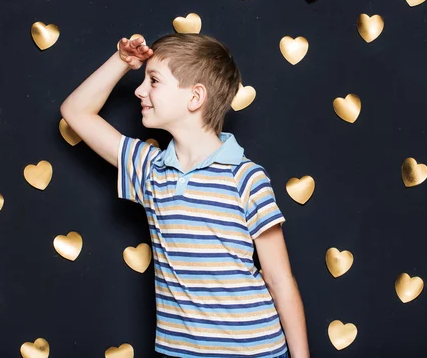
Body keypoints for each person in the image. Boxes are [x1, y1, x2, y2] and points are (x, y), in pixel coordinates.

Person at [59, 33, 310, 358]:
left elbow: (279, 279)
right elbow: (75, 111)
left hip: (255, 349)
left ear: (195, 98)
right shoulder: (150, 169)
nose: (139, 90)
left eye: (153, 80)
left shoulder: (246, 177)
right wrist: (122, 61)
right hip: (178, 352)